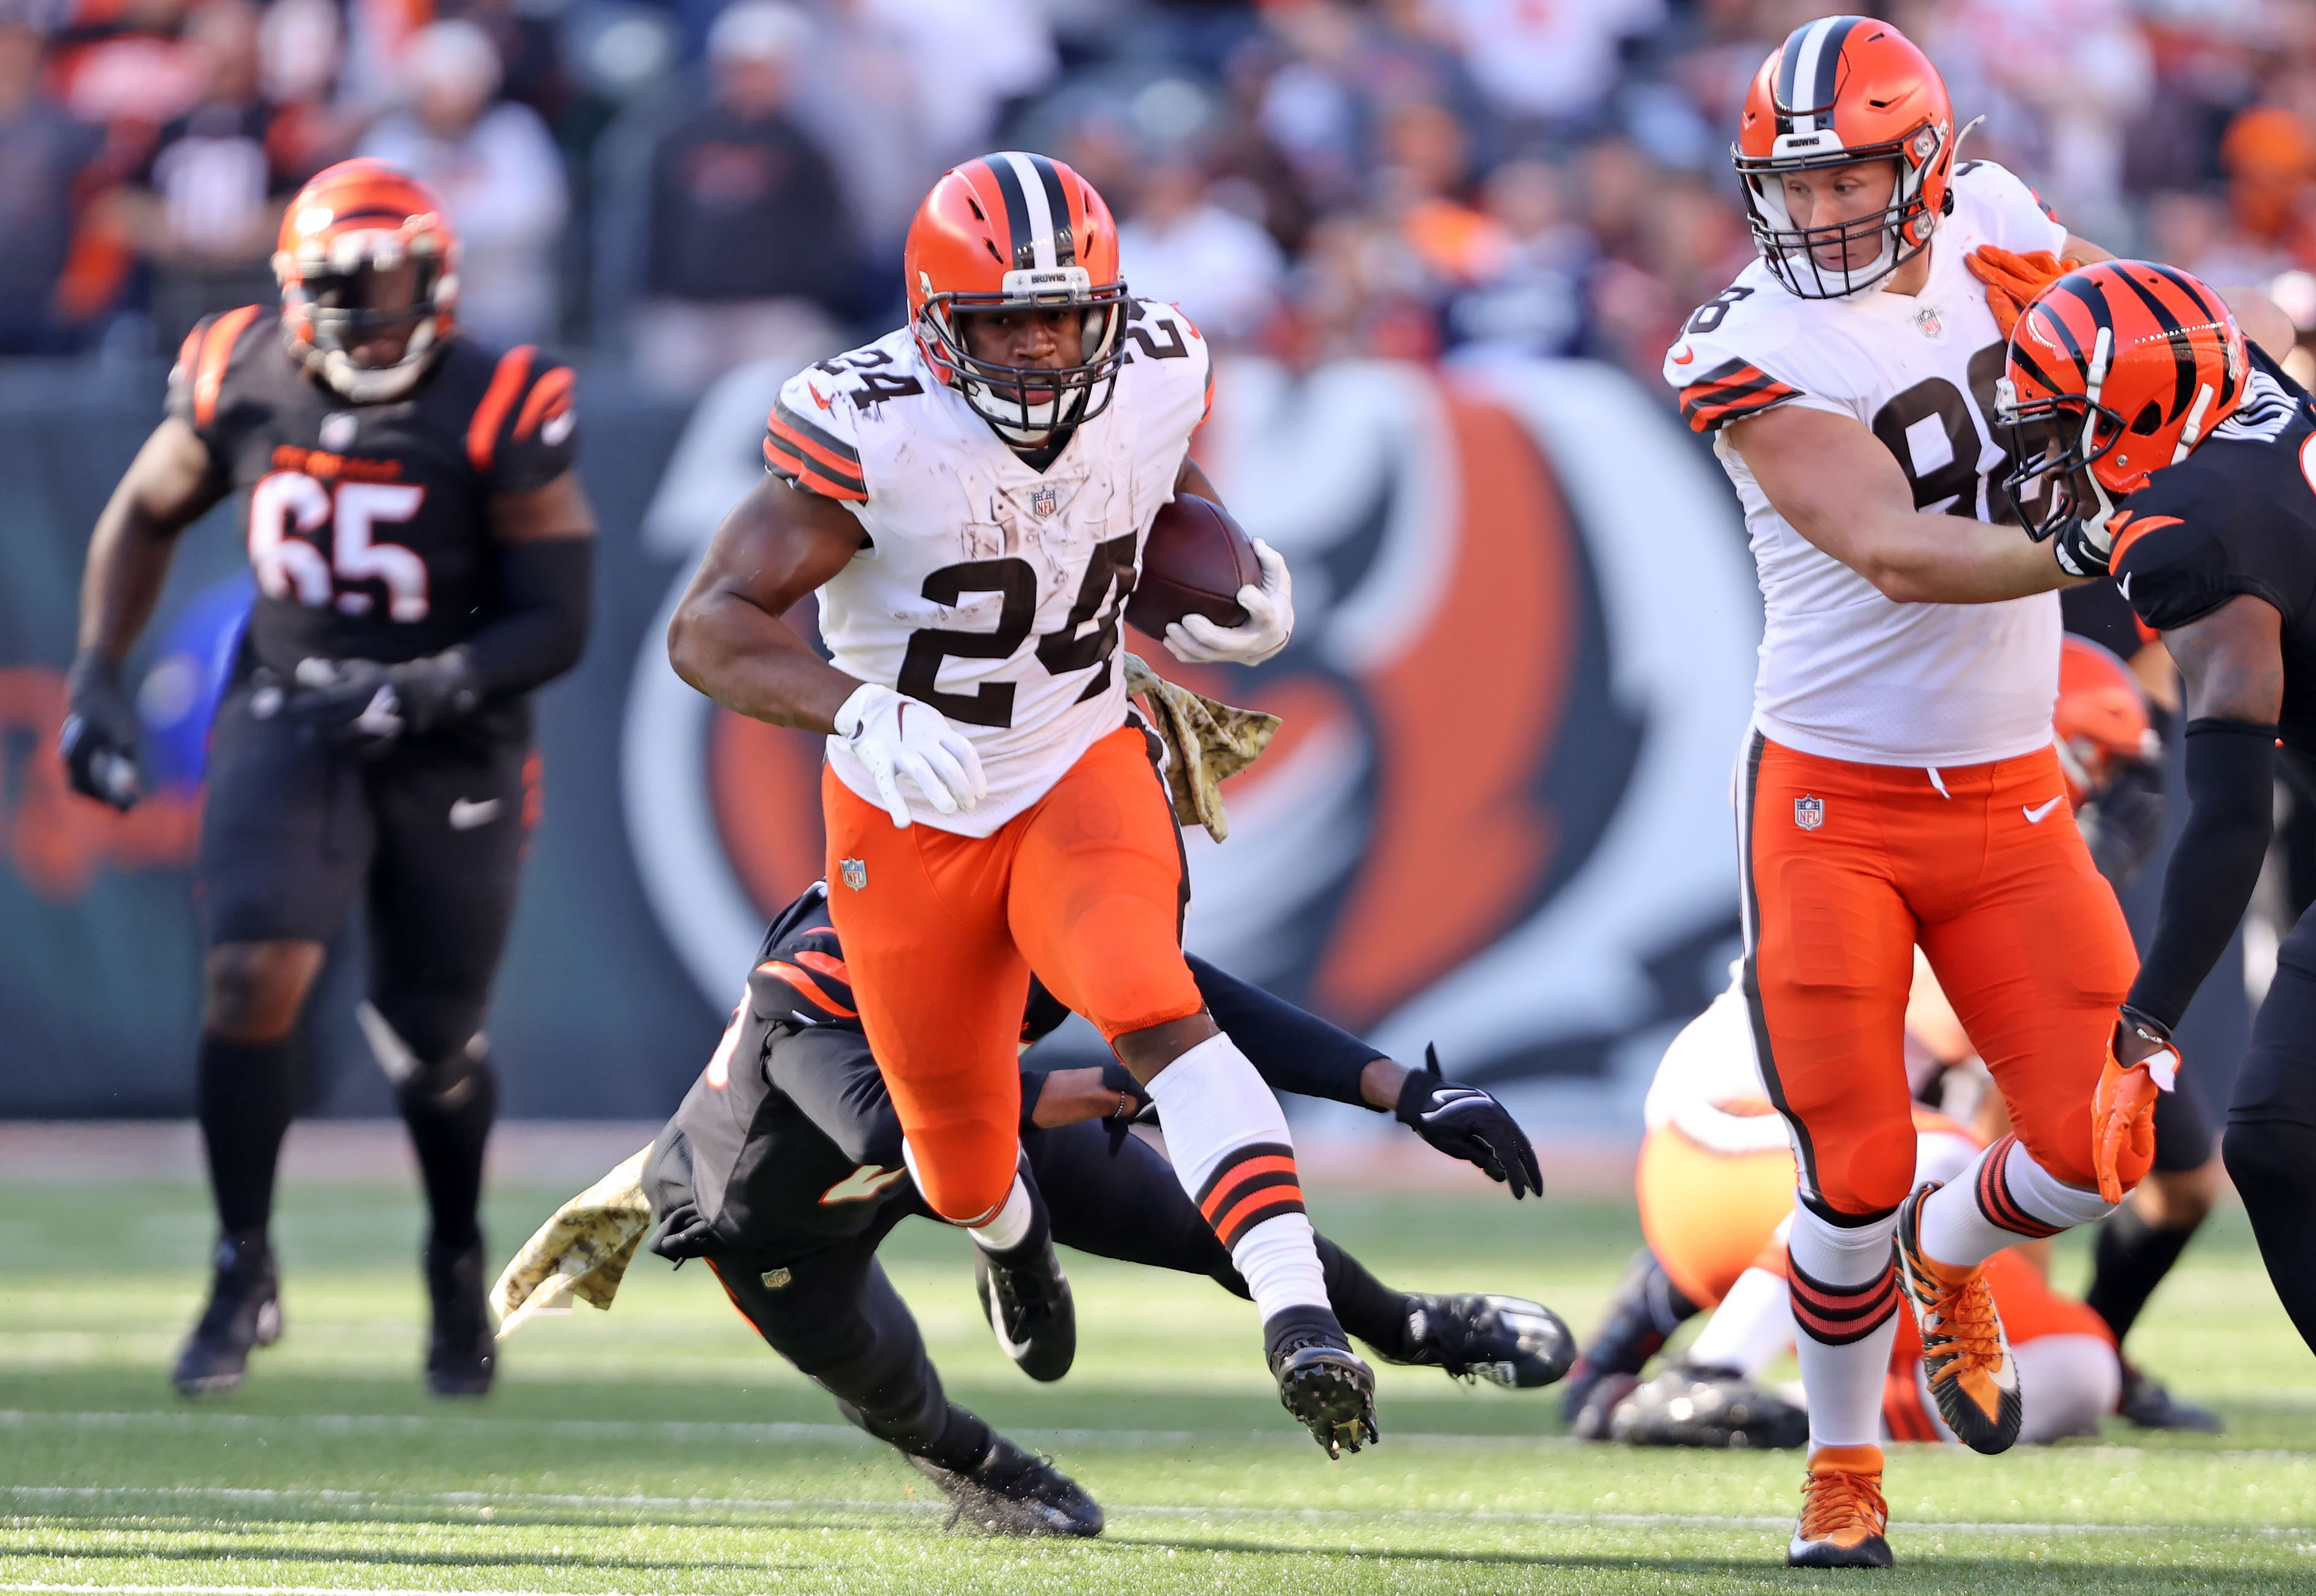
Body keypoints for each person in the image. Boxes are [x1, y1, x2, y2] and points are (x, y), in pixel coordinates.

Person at [666, 152, 1377, 1457]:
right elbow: (706, 628)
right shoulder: (870, 422)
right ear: (940, 327)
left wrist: (1234, 568)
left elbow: (1152, 479)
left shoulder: (1158, 364)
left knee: (1149, 994)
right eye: (1009, 322)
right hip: (908, 807)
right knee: (956, 1159)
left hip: (1074, 758)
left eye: (1066, 316)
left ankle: (1298, 1316)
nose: (1046, 350)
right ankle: (1011, 1240)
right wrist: (859, 708)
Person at [1665, 15, 2152, 1568]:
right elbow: (1895, 546)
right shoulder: (1745, 341)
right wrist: (2104, 544)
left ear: (1929, 165)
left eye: (1846, 180)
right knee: (1856, 1161)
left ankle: (1953, 1257)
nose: (1813, 214)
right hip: (1833, 796)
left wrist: (2217, 404)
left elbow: (2148, 337)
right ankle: (1839, 1469)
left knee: (2094, 1140)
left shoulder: (2000, 233)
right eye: (1788, 186)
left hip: (2009, 791)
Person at [502, 881, 1566, 1535]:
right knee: (894, 1392)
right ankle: (979, 1457)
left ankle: (1410, 1326)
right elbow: (877, 1121)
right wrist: (1072, 1091)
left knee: (1207, 1223)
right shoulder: (826, 959)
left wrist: (1401, 1086)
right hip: (785, 1208)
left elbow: (1200, 1002)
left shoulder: (1031, 894)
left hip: (968, 1128)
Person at [59, 159, 595, 1398]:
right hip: (292, 708)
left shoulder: (500, 401)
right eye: (349, 287)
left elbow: (556, 618)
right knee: (252, 973)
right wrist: (96, 669)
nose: (376, 312)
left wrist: (424, 687)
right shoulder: (240, 368)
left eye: (399, 284)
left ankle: (455, 1255)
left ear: (444, 285)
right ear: (296, 291)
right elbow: (145, 511)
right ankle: (242, 1261)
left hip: (450, 734)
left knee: (431, 1037)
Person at [1995, 255, 2316, 1364]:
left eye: (2057, 421)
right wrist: (2076, 267)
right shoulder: (2250, 380)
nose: (2042, 450)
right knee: (2276, 1137)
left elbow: (2230, 813)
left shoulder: (2186, 533)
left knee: (2277, 1131)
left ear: (2136, 411)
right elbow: (2244, 319)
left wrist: (2148, 1022)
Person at [1569, 967, 2124, 1453]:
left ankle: (1799, 1417)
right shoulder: (1961, 874)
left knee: (2082, 1365)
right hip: (1712, 1149)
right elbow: (1968, 1018)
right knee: (1928, 1154)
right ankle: (1708, 1371)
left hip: (1841, 1228)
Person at [631, 0, 857, 397]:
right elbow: (655, 228)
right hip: (690, 311)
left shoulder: (808, 146)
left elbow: (830, 232)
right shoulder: (681, 140)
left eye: (764, 69)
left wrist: (810, 291)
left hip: (774, 311)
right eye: (742, 68)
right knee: (665, 385)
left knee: (789, 383)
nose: (752, 81)